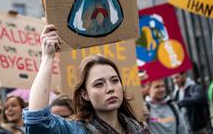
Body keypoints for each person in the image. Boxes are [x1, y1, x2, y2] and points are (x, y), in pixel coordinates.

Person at [23, 25, 151, 134]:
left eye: (114, 81)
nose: (110, 89)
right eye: (99, 84)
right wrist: (48, 57)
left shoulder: (140, 129)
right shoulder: (75, 130)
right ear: (85, 94)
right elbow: (38, 120)